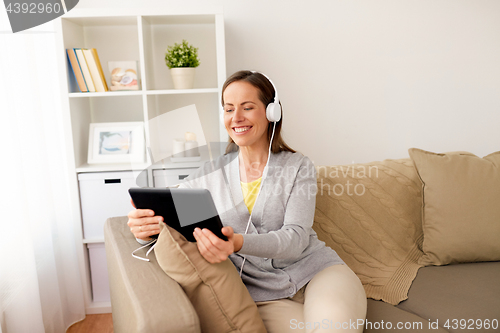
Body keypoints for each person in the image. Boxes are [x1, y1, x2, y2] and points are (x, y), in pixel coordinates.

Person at [127, 70, 367, 332]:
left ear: (271, 112)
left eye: (247, 107)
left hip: (319, 273)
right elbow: (168, 215)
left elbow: (296, 239)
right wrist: (144, 230)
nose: (236, 118)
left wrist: (239, 243)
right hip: (265, 297)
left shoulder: (298, 166)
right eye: (229, 109)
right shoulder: (209, 175)